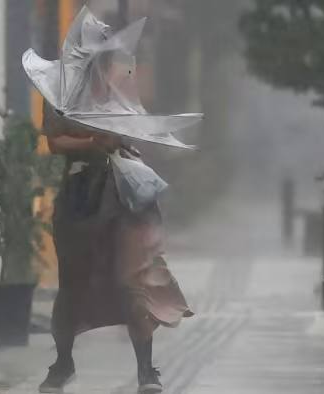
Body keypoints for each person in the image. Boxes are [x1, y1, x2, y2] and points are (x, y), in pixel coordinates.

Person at [37, 102, 193, 394]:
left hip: (124, 190)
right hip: (80, 193)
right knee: (72, 283)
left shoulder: (117, 81)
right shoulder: (60, 91)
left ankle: (146, 368)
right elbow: (56, 142)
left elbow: (137, 125)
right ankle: (63, 362)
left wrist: (121, 136)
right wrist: (95, 141)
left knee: (134, 278)